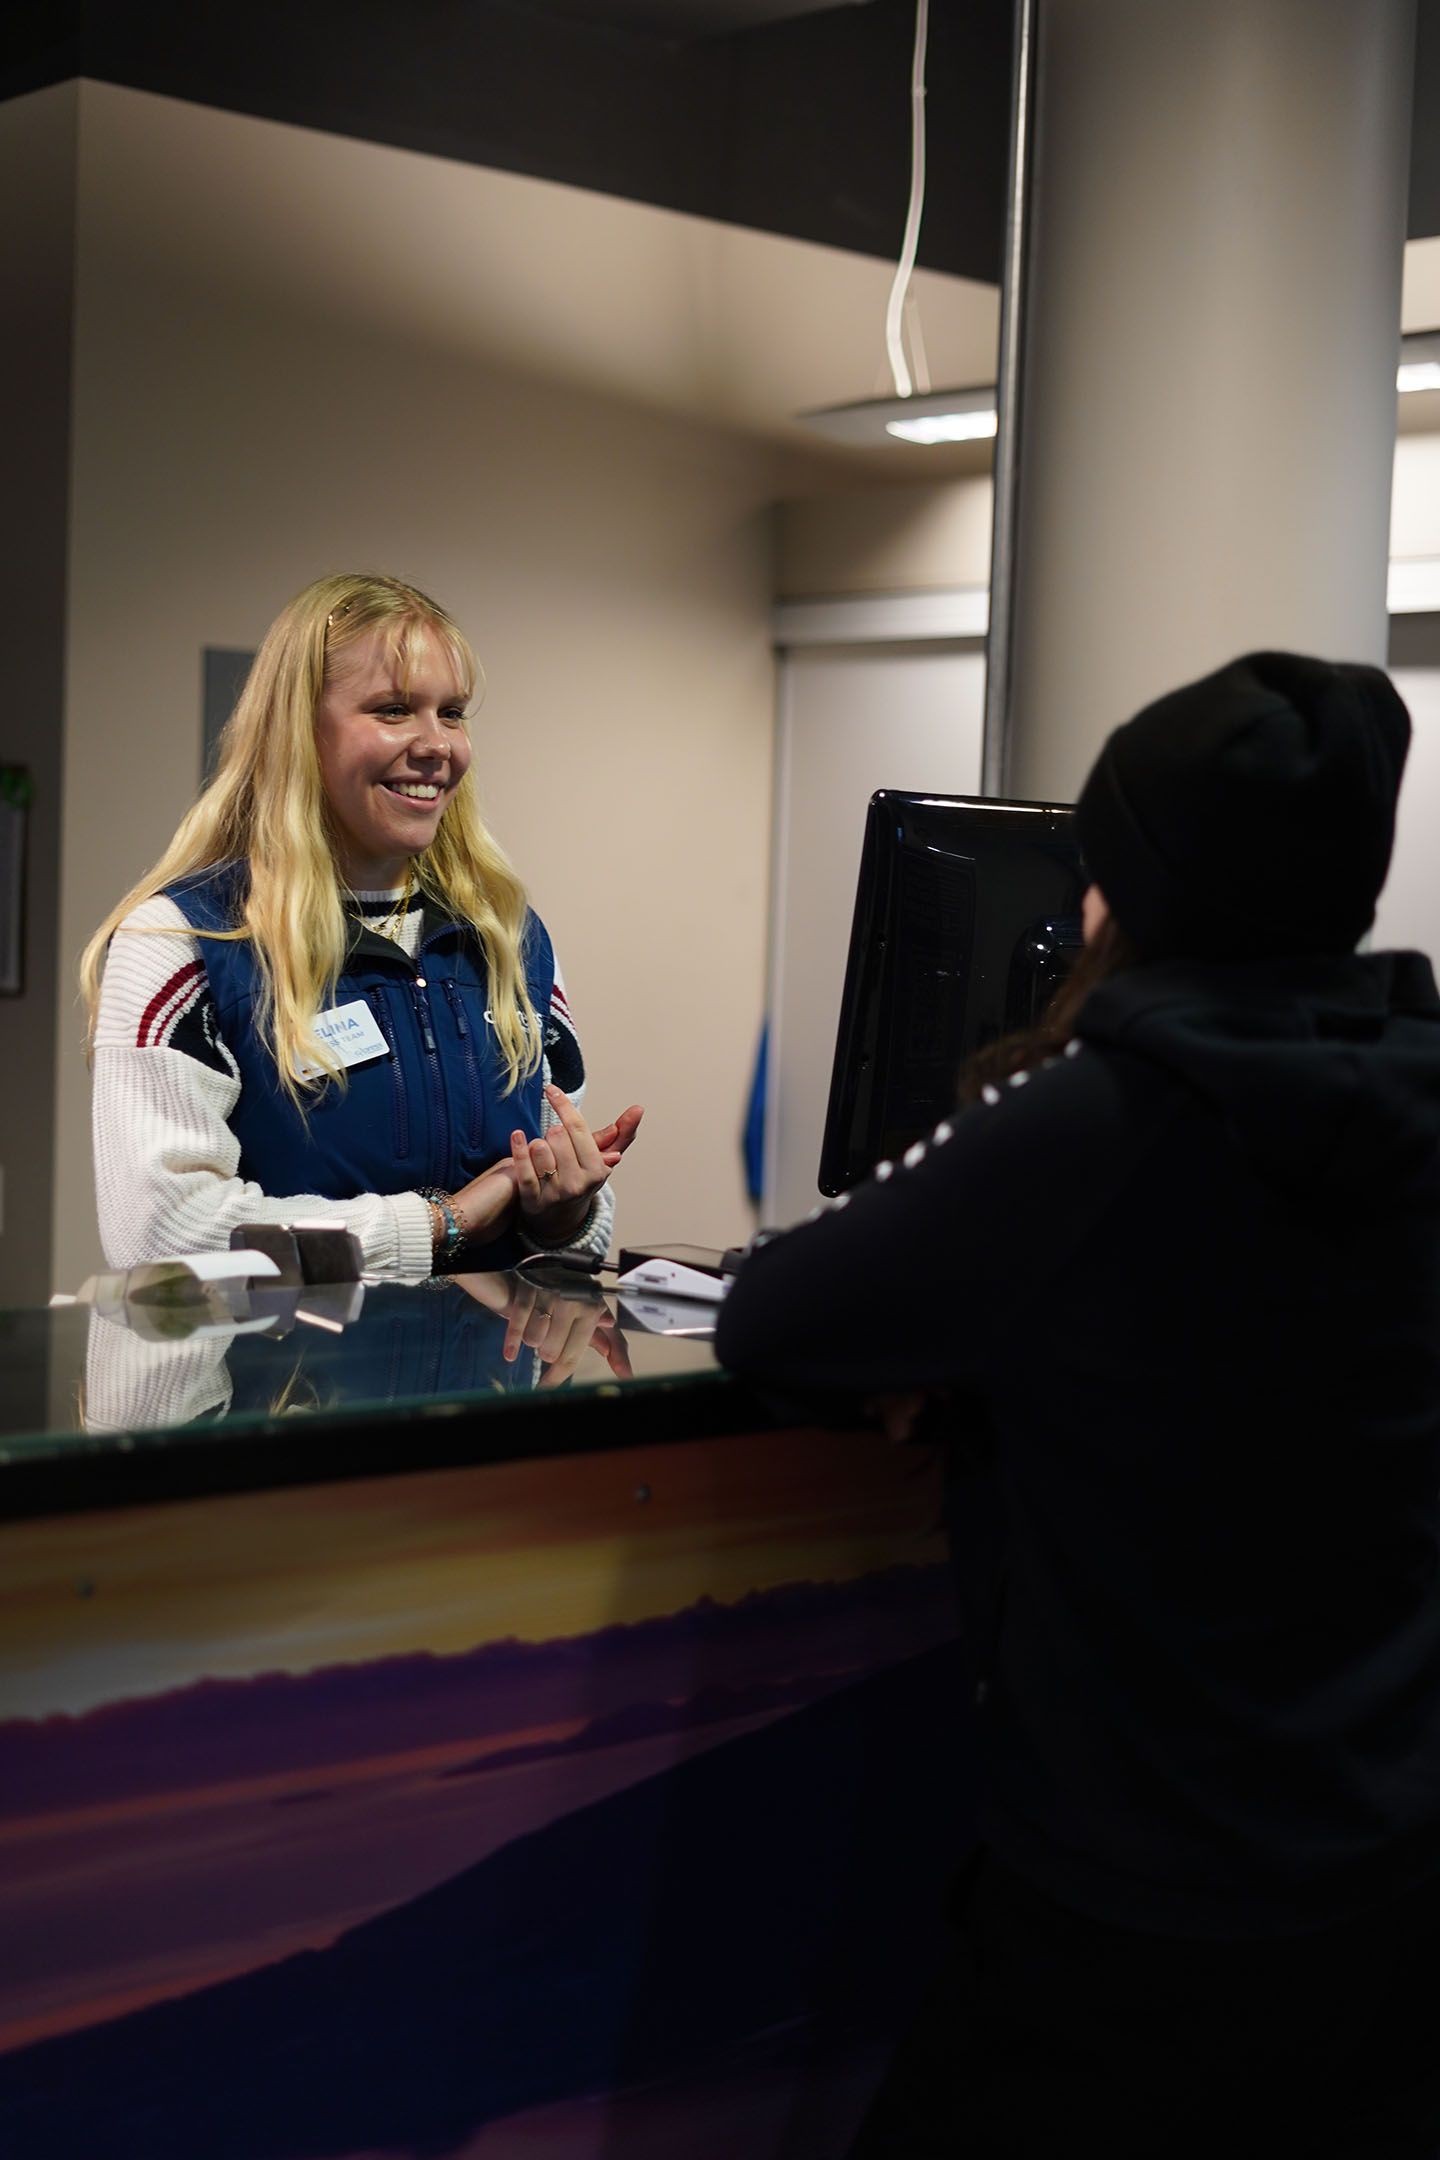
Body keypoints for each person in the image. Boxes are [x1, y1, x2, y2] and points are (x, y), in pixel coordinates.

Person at [715, 651, 1440, 2155]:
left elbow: (771, 1319)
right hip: (1386, 1883)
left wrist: (976, 1360)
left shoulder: (1091, 1124)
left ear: (1132, 893)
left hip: (1132, 1910)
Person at [82, 572, 642, 1277]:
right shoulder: (185, 943)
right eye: (394, 709)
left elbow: (556, 1222)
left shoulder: (509, 938)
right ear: (299, 731)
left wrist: (566, 1212)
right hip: (279, 1385)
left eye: (454, 712)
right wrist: (439, 1224)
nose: (438, 745)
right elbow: (162, 1235)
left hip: (490, 1384)